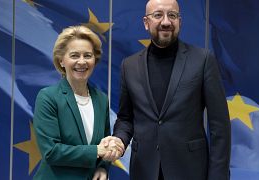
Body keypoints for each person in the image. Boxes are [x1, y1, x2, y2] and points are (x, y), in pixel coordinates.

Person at [102, 0, 231, 179]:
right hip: (144, 171)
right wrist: (119, 140)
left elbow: (220, 127)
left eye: (172, 15)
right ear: (146, 23)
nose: (166, 22)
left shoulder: (203, 60)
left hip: (190, 171)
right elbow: (125, 118)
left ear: (180, 21)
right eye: (158, 15)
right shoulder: (129, 66)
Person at [33, 25, 121, 180]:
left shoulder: (101, 99)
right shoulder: (48, 97)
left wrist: (102, 168)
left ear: (95, 60)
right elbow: (51, 152)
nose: (82, 62)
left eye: (87, 55)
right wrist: (96, 151)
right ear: (61, 61)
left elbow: (103, 145)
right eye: (74, 55)